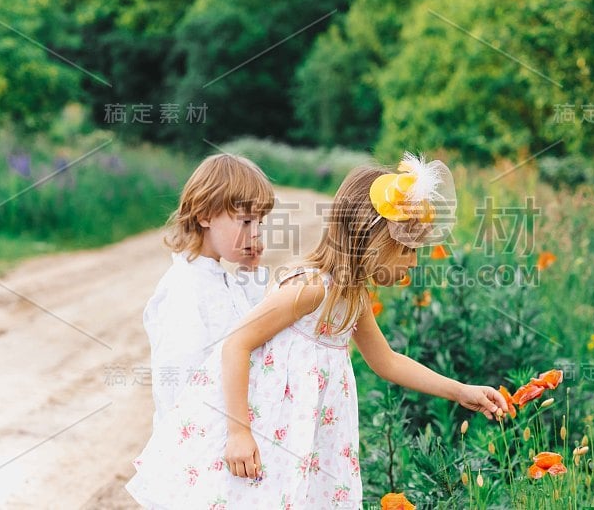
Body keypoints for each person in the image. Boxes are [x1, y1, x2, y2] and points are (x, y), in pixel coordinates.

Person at [126, 154, 508, 508]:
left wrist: (460, 391)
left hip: (310, 435)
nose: (413, 261)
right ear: (370, 239)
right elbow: (237, 344)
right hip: (268, 427)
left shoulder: (352, 295)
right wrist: (239, 432)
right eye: (407, 249)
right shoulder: (312, 287)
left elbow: (387, 361)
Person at [143, 153, 274, 430]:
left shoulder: (219, 277)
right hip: (198, 434)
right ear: (204, 216)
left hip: (225, 424)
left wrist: (250, 270)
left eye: (260, 223)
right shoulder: (185, 286)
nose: (256, 233)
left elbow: (250, 324)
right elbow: (178, 372)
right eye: (246, 221)